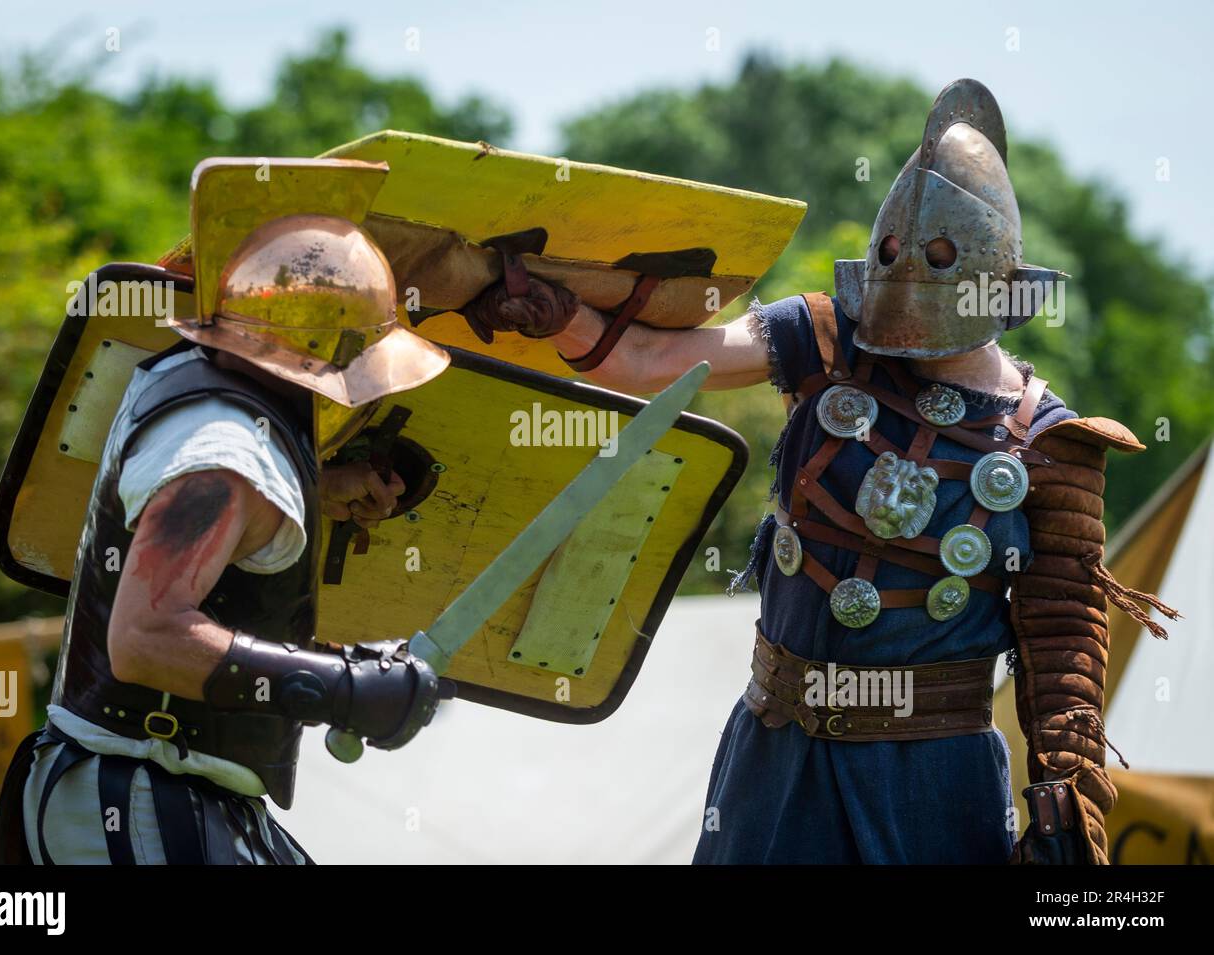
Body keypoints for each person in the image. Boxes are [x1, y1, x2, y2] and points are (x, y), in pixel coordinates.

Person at [456, 79, 1177, 864]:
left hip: (930, 787)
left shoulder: (1050, 440)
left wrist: (1066, 818)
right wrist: (559, 315)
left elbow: (1066, 649)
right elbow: (655, 360)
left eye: (934, 265)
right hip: (773, 766)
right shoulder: (832, 336)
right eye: (897, 261)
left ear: (992, 280)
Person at [0, 212, 452, 864]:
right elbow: (147, 637)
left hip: (157, 791)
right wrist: (348, 688)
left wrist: (322, 481)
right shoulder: (225, 452)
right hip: (139, 800)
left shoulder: (186, 380)